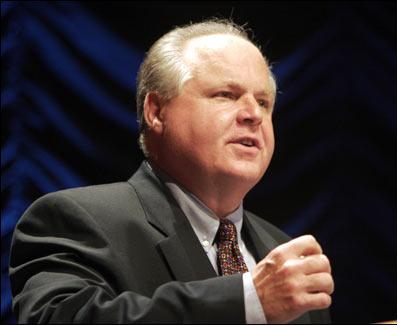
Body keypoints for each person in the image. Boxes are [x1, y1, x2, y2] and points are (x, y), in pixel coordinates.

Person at [9, 19, 334, 323]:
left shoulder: (282, 253)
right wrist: (247, 300)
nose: (253, 114)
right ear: (156, 111)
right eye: (226, 95)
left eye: (263, 102)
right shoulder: (76, 220)